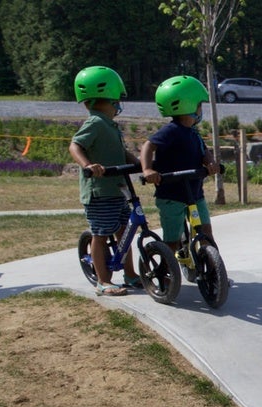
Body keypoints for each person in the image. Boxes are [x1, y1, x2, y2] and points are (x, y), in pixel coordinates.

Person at [69, 65, 140, 296]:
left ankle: (130, 275)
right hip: (99, 192)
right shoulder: (95, 123)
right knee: (100, 234)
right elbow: (75, 145)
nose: (118, 105)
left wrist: (142, 165)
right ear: (105, 99)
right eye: (116, 100)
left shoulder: (110, 125)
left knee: (124, 233)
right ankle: (103, 281)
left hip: (117, 189)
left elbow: (122, 153)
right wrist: (88, 166)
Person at [140, 75, 220, 253]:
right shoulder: (171, 131)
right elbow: (148, 145)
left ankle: (214, 273)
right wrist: (147, 169)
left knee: (205, 232)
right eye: (199, 105)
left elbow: (203, 151)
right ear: (188, 105)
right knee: (172, 241)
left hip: (194, 193)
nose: (201, 109)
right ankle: (168, 272)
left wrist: (211, 162)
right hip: (171, 195)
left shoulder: (193, 132)